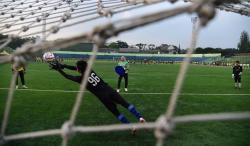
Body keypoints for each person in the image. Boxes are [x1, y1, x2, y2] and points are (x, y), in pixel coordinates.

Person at [50, 60, 145, 128]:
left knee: (116, 113)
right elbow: (76, 68)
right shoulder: (90, 70)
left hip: (103, 97)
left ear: (79, 70)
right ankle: (140, 118)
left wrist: (59, 69)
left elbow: (67, 76)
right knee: (126, 104)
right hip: (110, 90)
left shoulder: (81, 79)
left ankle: (131, 127)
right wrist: (64, 65)